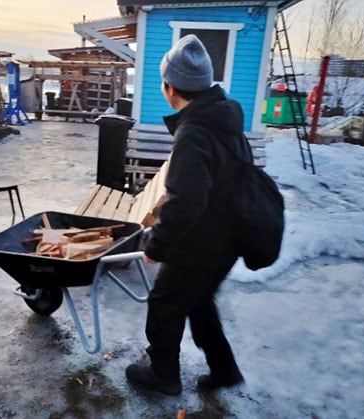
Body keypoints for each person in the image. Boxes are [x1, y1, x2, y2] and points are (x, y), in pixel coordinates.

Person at [125, 34, 252, 396]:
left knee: (165, 301)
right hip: (229, 236)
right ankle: (224, 370)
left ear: (170, 87)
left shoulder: (194, 131)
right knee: (197, 300)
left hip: (205, 237)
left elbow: (186, 202)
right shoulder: (223, 117)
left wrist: (157, 244)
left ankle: (162, 374)